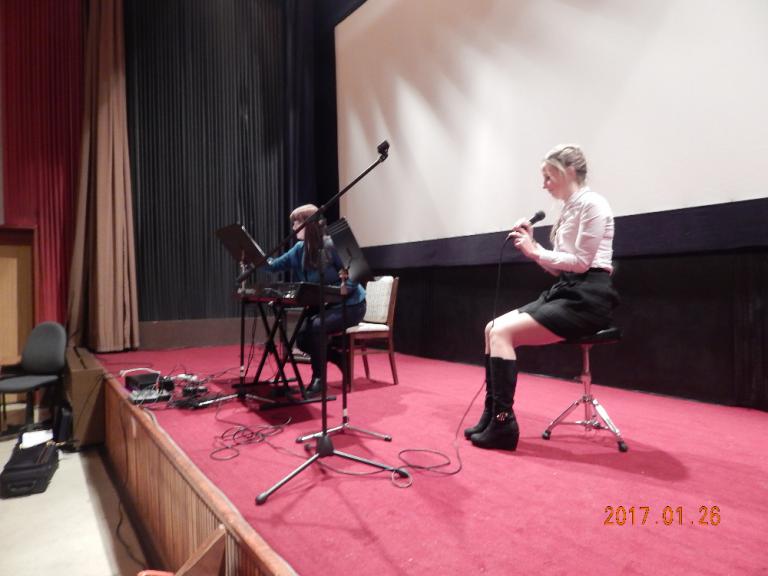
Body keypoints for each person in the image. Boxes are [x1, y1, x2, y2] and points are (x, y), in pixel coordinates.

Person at [465, 144, 619, 450]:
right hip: (567, 289)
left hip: (588, 298)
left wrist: (536, 251)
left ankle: (503, 425)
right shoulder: (569, 209)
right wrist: (532, 248)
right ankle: (492, 414)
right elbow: (559, 268)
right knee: (491, 327)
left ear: (569, 172)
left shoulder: (593, 205)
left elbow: (582, 263)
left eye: (549, 176)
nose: (544, 185)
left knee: (502, 334)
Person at [264, 204, 366, 395]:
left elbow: (353, 276)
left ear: (309, 224)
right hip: (324, 305)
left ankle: (319, 379)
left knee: (316, 327)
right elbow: (273, 266)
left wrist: (338, 293)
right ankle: (338, 358)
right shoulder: (298, 249)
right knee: (302, 339)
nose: (293, 227)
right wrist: (254, 259)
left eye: (297, 222)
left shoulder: (331, 245)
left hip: (351, 305)